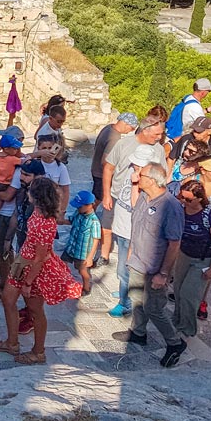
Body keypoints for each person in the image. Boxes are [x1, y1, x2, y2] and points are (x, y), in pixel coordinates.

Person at [0, 178, 82, 364]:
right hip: (23, 265)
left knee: (35, 310)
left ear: (37, 197)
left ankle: (38, 351)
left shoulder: (43, 223)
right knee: (8, 300)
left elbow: (39, 258)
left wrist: (28, 283)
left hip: (33, 271)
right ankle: (12, 342)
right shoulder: (40, 215)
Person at [112, 164, 187, 368]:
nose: (137, 176)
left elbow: (174, 243)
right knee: (137, 299)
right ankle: (138, 332)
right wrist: (130, 255)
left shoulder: (170, 206)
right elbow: (137, 226)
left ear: (152, 180)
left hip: (155, 268)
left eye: (141, 174)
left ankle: (174, 343)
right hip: (137, 261)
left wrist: (163, 273)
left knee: (154, 307)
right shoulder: (144, 197)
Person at [102, 118, 166, 317]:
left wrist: (136, 184)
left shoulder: (147, 184)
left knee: (126, 265)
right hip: (122, 223)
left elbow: (136, 206)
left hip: (132, 230)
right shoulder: (126, 148)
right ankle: (125, 291)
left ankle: (126, 300)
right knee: (124, 263)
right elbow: (109, 168)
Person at [171, 179, 211, 340]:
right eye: (182, 198)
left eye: (188, 199)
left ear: (200, 199)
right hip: (184, 254)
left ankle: (188, 328)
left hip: (203, 258)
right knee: (178, 290)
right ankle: (178, 321)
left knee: (189, 294)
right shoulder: (182, 209)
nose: (184, 202)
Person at [90, 112, 137, 266]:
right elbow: (107, 161)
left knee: (94, 201)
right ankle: (85, 226)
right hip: (101, 174)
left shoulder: (107, 128)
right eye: (130, 128)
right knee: (97, 204)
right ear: (124, 123)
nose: (130, 131)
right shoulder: (114, 138)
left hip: (94, 170)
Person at [62, 191, 100, 295]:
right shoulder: (77, 213)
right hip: (71, 248)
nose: (78, 208)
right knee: (62, 263)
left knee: (82, 271)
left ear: (89, 205)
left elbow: (96, 239)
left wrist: (90, 257)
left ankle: (86, 286)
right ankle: (62, 282)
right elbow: (71, 221)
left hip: (83, 253)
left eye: (80, 206)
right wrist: (60, 221)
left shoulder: (94, 221)